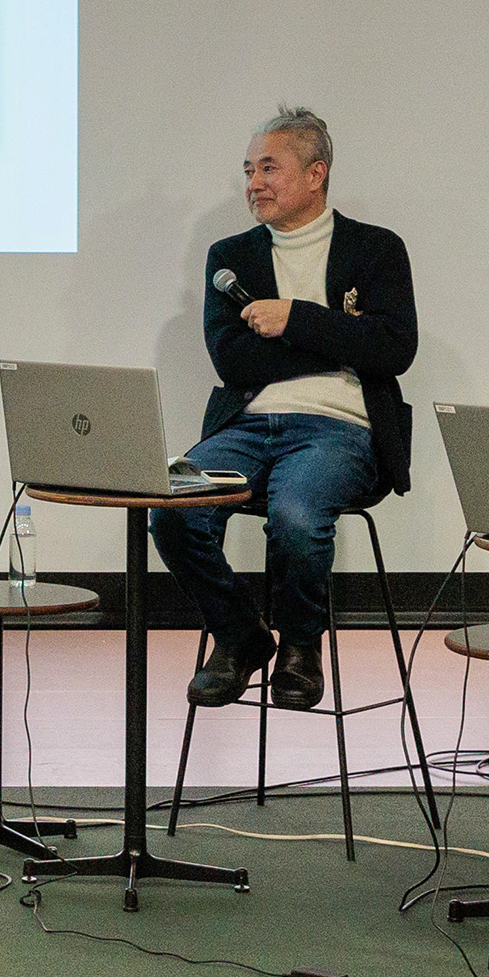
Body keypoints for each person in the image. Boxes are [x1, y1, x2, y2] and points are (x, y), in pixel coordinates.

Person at [159, 107, 419, 710]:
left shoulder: (377, 249)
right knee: (170, 510)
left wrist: (293, 318)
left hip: (339, 427)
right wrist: (340, 337)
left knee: (297, 516)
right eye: (248, 170)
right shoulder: (231, 256)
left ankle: (301, 646)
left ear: (315, 173)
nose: (254, 182)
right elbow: (233, 361)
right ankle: (240, 635)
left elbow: (394, 348)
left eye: (269, 168)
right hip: (246, 424)